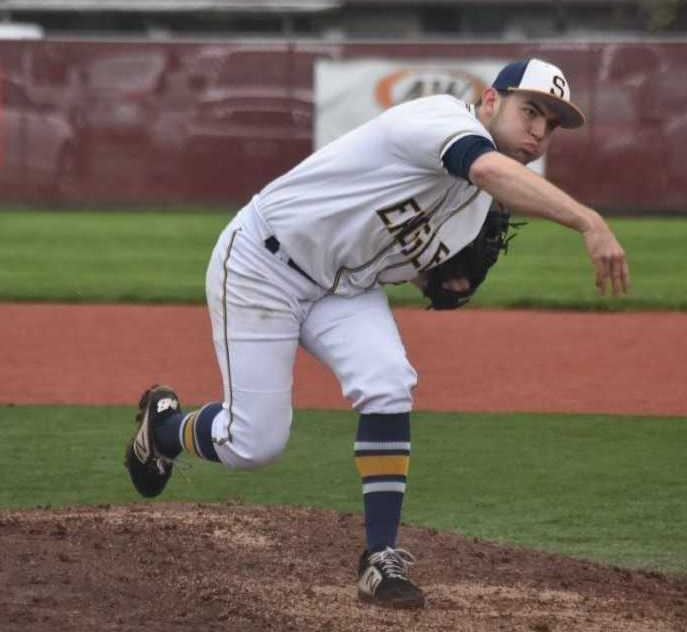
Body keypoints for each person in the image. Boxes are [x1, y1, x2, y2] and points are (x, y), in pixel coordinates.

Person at [125, 57, 630, 610]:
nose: (538, 130)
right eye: (530, 110)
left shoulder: (474, 204)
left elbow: (405, 249)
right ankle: (164, 428)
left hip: (342, 286)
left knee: (389, 381)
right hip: (262, 265)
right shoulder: (440, 121)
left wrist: (436, 278)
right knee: (254, 444)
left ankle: (379, 560)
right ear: (490, 101)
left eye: (551, 124)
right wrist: (590, 222)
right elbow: (484, 169)